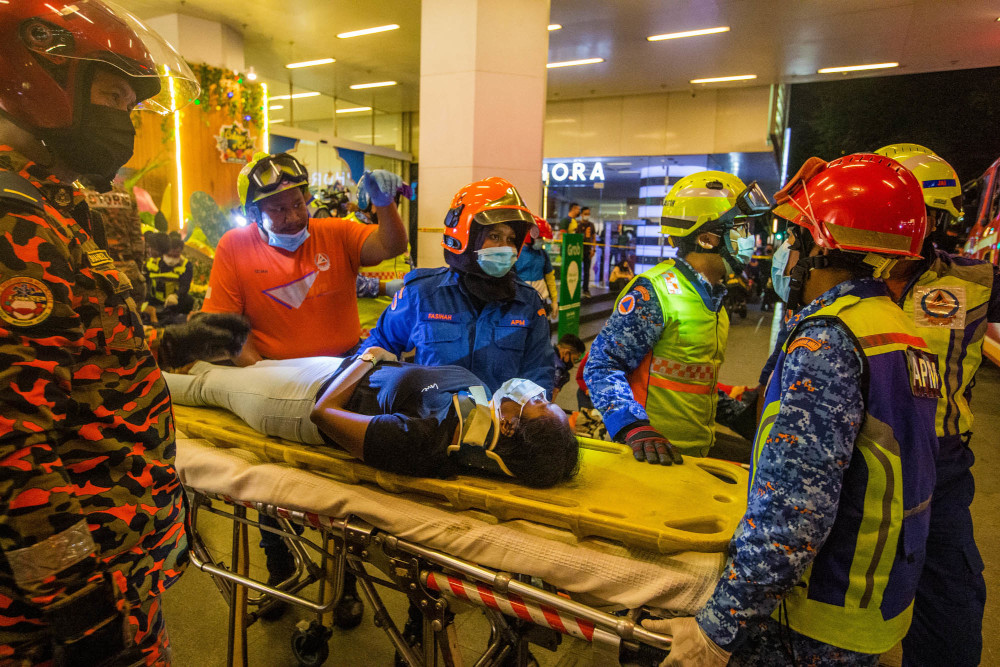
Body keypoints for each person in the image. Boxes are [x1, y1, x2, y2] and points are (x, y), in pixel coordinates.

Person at [0, 2, 247, 663]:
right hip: (56, 610)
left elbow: (75, 362)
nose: (128, 122)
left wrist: (171, 340)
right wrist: (80, 606)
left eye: (135, 106)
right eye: (114, 95)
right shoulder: (15, 223)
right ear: (45, 81)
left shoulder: (60, 202)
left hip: (114, 567)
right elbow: (11, 448)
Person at [643, 153, 940, 665]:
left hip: (817, 615)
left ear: (820, 247)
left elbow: (792, 518)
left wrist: (717, 629)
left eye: (791, 238)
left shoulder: (828, 341)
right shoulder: (895, 327)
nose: (780, 249)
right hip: (873, 598)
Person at [874, 144, 998, 667]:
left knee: (950, 608)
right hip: (855, 467)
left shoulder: (975, 281)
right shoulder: (839, 281)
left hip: (940, 472)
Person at [165, 352, 579, 488]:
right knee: (229, 371)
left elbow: (323, 415)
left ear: (508, 427)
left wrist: (366, 358)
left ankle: (138, 378)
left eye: (539, 403)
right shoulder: (478, 402)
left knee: (210, 387)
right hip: (336, 369)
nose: (535, 392)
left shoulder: (424, 442)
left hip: (297, 399)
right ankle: (178, 361)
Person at [584, 172, 769, 464]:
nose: (750, 239)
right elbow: (601, 366)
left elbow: (693, 382)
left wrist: (740, 418)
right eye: (741, 229)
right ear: (707, 239)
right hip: (647, 456)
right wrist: (634, 426)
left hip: (690, 459)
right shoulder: (654, 292)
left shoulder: (715, 298)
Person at [201, 153, 408, 365]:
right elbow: (226, 325)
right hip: (272, 370)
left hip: (343, 364)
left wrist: (384, 202)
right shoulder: (235, 245)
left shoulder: (334, 232)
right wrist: (262, 377)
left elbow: (390, 245)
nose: (293, 217)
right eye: (279, 209)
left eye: (298, 204)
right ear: (253, 214)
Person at [365, 177, 555, 396]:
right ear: (466, 235)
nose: (505, 248)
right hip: (428, 425)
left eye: (511, 239)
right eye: (494, 236)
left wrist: (522, 409)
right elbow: (376, 348)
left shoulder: (528, 303)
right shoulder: (423, 293)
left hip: (499, 427)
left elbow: (540, 373)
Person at [513, 219, 558, 318]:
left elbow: (550, 277)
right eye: (539, 237)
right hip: (520, 302)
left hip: (541, 301)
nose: (541, 240)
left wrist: (554, 300)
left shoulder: (543, 254)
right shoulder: (515, 253)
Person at [145, 235, 194, 324]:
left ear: (180, 252)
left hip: (174, 303)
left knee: (189, 301)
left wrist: (176, 295)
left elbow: (185, 285)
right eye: (169, 255)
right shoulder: (152, 263)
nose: (171, 259)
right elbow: (146, 282)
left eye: (175, 256)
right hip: (154, 301)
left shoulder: (186, 265)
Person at [552, 334, 585, 400]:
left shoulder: (545, 353)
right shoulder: (557, 369)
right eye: (574, 359)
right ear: (567, 353)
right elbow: (548, 400)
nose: (573, 364)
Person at [578, 207, 596, 297]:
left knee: (587, 271)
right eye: (585, 213)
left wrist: (594, 249)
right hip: (578, 250)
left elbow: (593, 237)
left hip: (588, 250)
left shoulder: (591, 225)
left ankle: (585, 289)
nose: (587, 216)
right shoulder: (578, 225)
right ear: (581, 214)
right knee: (577, 270)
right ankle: (576, 289)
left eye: (588, 213)